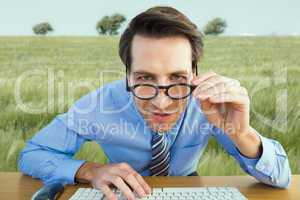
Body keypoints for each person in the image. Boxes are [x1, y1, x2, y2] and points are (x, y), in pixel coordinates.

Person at [19, 6, 291, 200]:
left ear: (194, 74)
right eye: (145, 79)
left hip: (189, 189)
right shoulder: (99, 104)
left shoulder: (210, 103)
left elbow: (281, 179)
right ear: (127, 76)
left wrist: (241, 134)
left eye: (177, 78)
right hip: (120, 193)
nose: (161, 102)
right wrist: (90, 170)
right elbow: (32, 154)